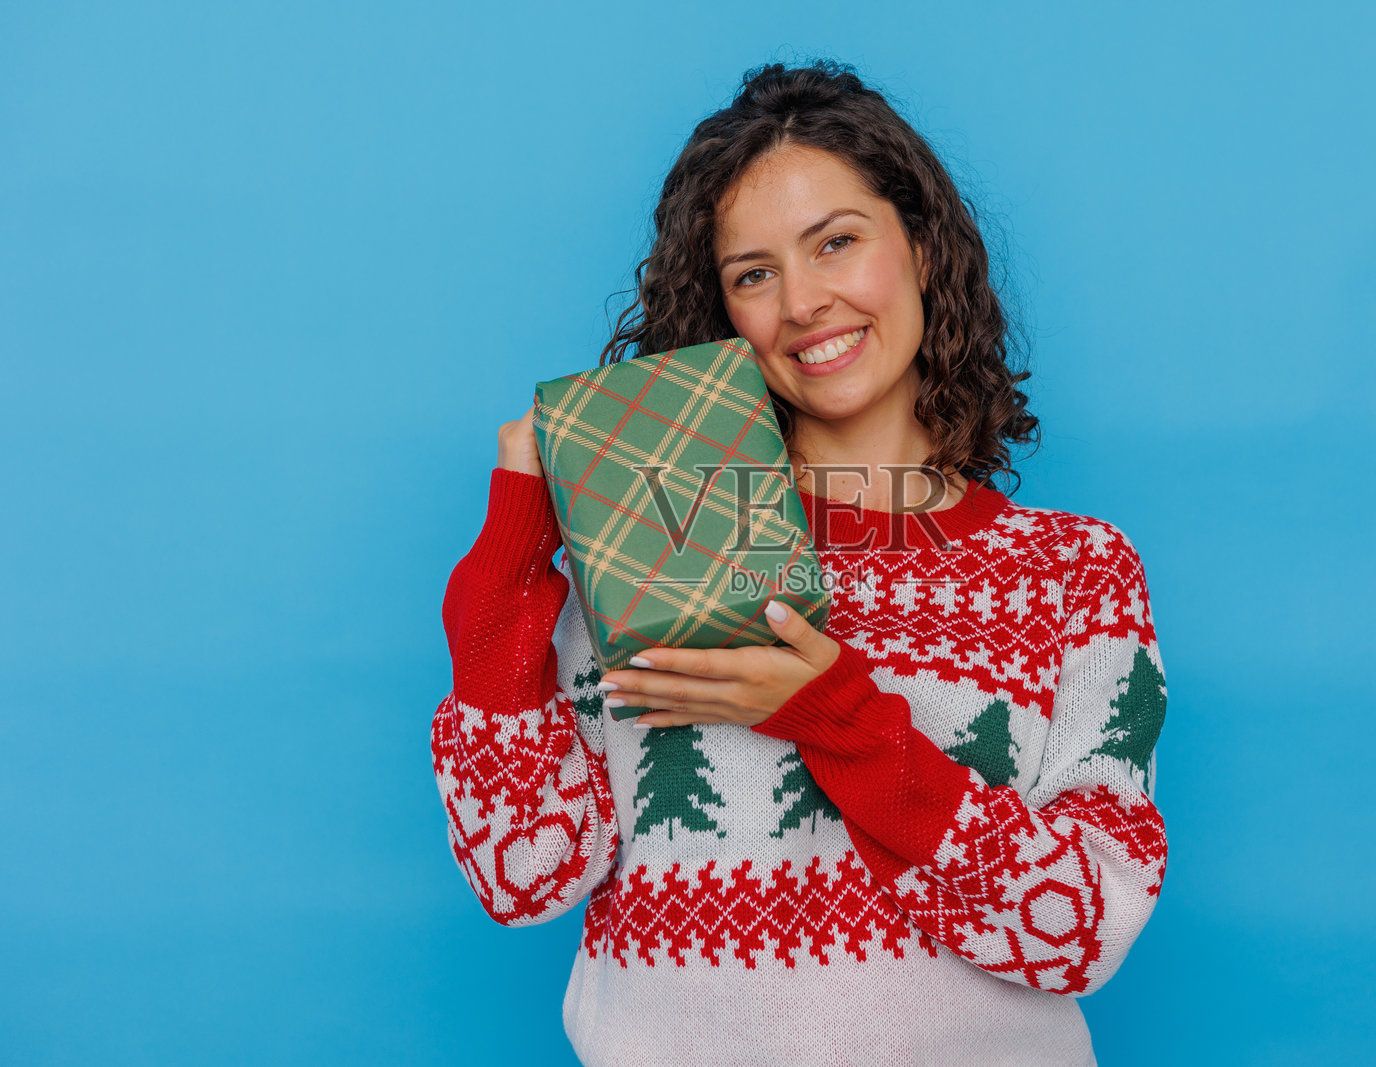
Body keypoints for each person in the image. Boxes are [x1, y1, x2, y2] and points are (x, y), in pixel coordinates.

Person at [431, 59, 1168, 1066]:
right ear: (724, 312)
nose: (805, 302)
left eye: (836, 242)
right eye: (753, 273)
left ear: (918, 245)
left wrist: (834, 716)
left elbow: (1078, 926)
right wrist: (513, 556)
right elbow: (527, 875)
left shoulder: (1071, 570)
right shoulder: (660, 540)